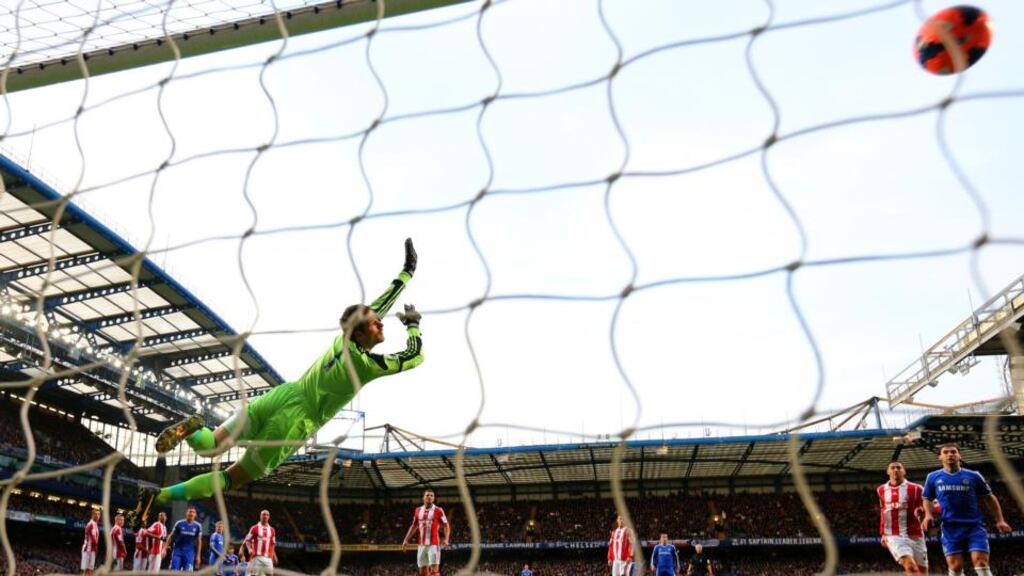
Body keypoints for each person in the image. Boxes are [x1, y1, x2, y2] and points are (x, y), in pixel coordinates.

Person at [129, 239, 423, 522]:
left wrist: (406, 272)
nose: (381, 322)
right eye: (375, 323)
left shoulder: (341, 340)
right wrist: (413, 326)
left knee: (211, 443)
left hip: (281, 395)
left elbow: (379, 306)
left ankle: (191, 431)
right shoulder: (365, 364)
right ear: (359, 332)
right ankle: (162, 496)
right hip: (295, 423)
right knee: (232, 477)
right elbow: (414, 357)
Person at [922, 443, 1012, 576]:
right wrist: (928, 515)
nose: (950, 455)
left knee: (981, 562)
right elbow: (927, 498)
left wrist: (1000, 520)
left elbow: (989, 498)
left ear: (959, 455)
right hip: (950, 527)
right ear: (939, 457)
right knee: (956, 566)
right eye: (946, 452)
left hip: (974, 526)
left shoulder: (974, 476)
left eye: (953, 452)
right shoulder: (933, 477)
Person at [878, 461, 928, 574]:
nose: (896, 470)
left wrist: (923, 509)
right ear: (888, 471)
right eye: (892, 468)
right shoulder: (881, 490)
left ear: (904, 471)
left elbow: (931, 504)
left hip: (916, 534)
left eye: (899, 467)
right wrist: (883, 533)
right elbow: (883, 511)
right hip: (894, 535)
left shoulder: (916, 488)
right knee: (911, 567)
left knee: (922, 572)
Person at [401, 489, 450, 576]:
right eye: (427, 495)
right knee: (422, 573)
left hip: (434, 545)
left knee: (434, 572)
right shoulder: (417, 510)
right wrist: (406, 540)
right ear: (423, 497)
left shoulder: (439, 510)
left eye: (431, 495)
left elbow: (446, 526)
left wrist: (446, 539)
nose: (429, 497)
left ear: (434, 498)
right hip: (421, 545)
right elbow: (414, 526)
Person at [166, 506, 203, 571]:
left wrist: (198, 555)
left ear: (195, 514)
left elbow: (199, 541)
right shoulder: (179, 523)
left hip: (189, 553)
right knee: (173, 571)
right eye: (190, 511)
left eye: (193, 512)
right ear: (186, 513)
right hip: (177, 552)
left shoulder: (198, 526)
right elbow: (171, 536)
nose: (191, 513)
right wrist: (164, 548)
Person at [242, 510, 277, 576]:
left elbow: (272, 544)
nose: (265, 516)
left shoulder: (272, 530)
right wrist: (249, 549)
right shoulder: (254, 528)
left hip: (268, 558)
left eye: (267, 515)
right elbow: (247, 540)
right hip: (257, 557)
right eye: (263, 514)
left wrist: (273, 556)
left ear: (269, 517)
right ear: (260, 516)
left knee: (270, 574)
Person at [81, 508, 100, 576]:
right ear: (92, 515)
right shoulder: (91, 524)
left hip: (91, 549)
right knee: (87, 570)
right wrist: (96, 548)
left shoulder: (95, 524)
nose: (98, 516)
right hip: (88, 549)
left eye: (99, 514)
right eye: (96, 514)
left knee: (90, 570)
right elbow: (94, 539)